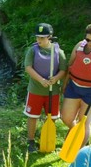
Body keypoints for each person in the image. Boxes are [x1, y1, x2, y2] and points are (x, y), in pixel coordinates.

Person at [24, 23, 67, 152]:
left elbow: (63, 70)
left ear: (50, 37)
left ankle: (47, 139)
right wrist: (41, 80)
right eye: (37, 37)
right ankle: (30, 141)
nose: (39, 40)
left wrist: (56, 78)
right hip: (35, 90)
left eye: (42, 38)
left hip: (52, 92)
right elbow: (28, 67)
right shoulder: (32, 50)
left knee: (51, 117)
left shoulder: (59, 52)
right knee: (32, 116)